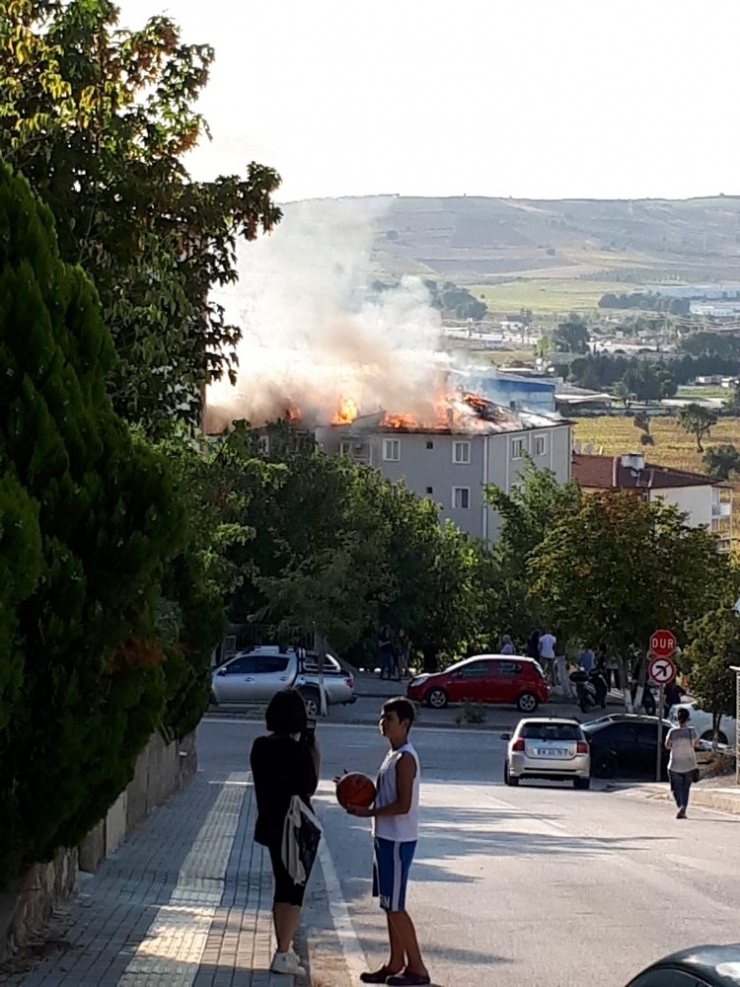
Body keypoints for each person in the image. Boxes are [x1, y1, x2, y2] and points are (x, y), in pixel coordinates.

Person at [344, 698, 430, 986]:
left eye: (389, 718)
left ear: (404, 723)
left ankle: (417, 968)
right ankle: (396, 962)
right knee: (388, 904)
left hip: (397, 840)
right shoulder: (392, 755)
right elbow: (382, 794)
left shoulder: (406, 758)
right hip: (385, 837)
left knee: (396, 905)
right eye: (382, 717)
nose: (383, 722)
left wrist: (369, 811)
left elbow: (403, 805)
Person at [250, 689, 320, 977]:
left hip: (270, 823)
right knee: (295, 889)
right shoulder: (300, 751)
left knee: (281, 883)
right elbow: (310, 786)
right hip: (296, 827)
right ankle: (282, 952)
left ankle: (283, 948)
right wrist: (313, 750)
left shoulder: (259, 746)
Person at [665, 706, 701, 819]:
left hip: (674, 764)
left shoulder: (672, 732)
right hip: (689, 764)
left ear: (677, 719)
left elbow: (667, 745)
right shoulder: (692, 731)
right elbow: (697, 744)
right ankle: (683, 809)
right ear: (688, 719)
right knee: (686, 789)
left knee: (676, 788)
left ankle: (680, 806)